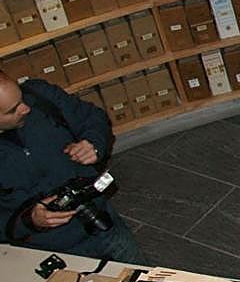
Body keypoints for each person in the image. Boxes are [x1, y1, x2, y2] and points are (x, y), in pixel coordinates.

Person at [0, 70, 142, 262]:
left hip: (104, 226)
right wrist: (28, 221)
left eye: (21, 97)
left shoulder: (42, 96)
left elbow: (92, 117)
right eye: (12, 110)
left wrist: (93, 143)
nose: (26, 108)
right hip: (49, 252)